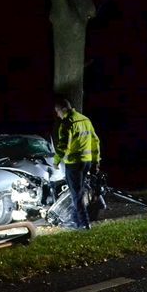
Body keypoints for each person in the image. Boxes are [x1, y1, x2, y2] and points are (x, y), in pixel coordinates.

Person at [53, 96, 101, 229]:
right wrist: (96, 161)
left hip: (73, 164)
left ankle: (83, 224)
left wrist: (56, 161)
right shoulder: (85, 120)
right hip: (86, 162)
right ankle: (75, 219)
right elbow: (95, 142)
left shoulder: (67, 123)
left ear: (63, 109)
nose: (57, 114)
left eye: (57, 111)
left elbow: (63, 146)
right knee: (79, 193)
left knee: (76, 195)